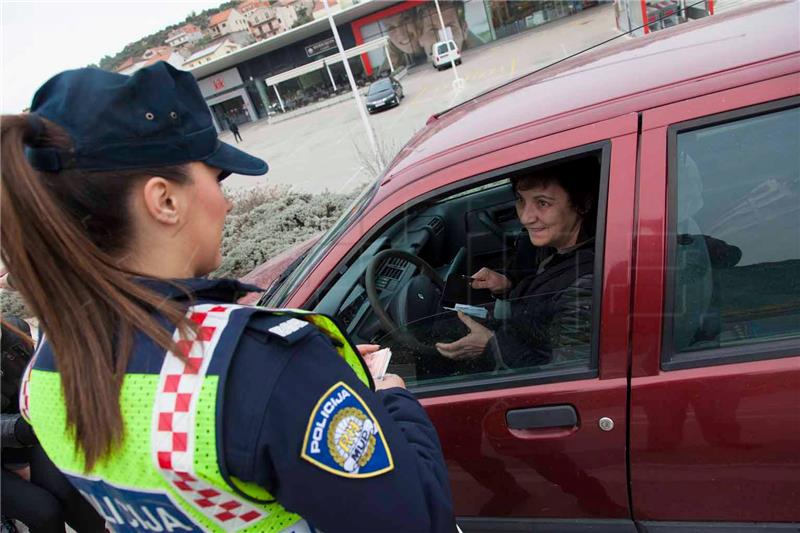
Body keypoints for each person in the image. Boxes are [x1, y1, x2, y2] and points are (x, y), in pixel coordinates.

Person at [1, 62, 455, 532]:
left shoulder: (43, 377)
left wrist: (305, 386)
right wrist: (387, 401)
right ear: (165, 201)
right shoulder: (262, 366)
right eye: (216, 179)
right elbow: (416, 521)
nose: (228, 203)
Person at [436, 159, 598, 369]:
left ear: (582, 204)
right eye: (521, 200)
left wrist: (491, 346)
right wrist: (507, 283)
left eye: (543, 203)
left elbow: (564, 376)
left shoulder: (584, 287)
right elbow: (543, 281)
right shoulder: (552, 246)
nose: (526, 217)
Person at [2, 317, 105, 533]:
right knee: (43, 512)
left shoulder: (15, 333)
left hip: (24, 434)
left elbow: (33, 386)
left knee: (67, 489)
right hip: (22, 431)